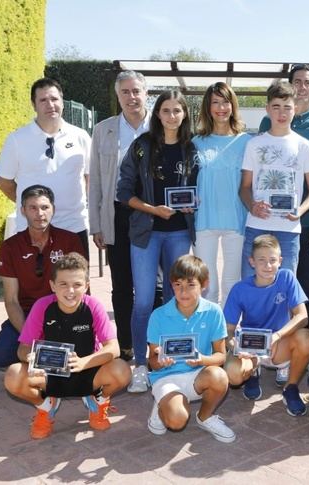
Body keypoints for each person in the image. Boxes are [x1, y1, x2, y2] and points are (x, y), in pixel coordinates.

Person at [117, 90, 199, 393]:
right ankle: (141, 364)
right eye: (166, 110)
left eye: (178, 110)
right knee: (143, 301)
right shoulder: (142, 147)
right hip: (146, 233)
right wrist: (154, 209)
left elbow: (196, 188)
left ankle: (167, 361)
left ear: (185, 114)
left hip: (179, 233)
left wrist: (193, 203)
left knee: (173, 300)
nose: (172, 116)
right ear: (158, 114)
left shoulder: (192, 149)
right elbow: (124, 192)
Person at [3, 253, 131, 439]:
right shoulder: (42, 306)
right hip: (51, 374)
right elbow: (23, 348)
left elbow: (113, 348)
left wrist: (83, 363)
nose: (70, 291)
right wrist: (30, 357)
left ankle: (98, 400)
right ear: (52, 285)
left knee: (122, 370)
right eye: (63, 284)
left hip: (88, 372)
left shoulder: (93, 305)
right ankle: (46, 406)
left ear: (86, 286)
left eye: (77, 285)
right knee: (13, 375)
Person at [259, 63, 309, 328]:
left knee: (302, 285)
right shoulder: (267, 121)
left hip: (305, 222)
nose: (302, 87)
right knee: (266, 280)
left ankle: (302, 343)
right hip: (269, 221)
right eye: (298, 81)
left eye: (308, 82)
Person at [89, 70, 150, 361]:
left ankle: (153, 345)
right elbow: (96, 181)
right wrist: (97, 224)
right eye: (125, 92)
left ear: (146, 93)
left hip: (153, 218)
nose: (131, 97)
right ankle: (126, 346)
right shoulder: (103, 130)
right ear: (117, 96)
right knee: (123, 285)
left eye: (136, 91)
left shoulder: (163, 125)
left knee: (156, 285)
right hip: (117, 216)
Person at [0, 185, 85, 368]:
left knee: (81, 351)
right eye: (32, 208)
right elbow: (11, 300)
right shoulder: (10, 247)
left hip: (63, 311)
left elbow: (80, 289)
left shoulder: (70, 240)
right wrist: (32, 336)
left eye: (44, 207)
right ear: (23, 211)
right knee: (0, 355)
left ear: (53, 210)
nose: (39, 213)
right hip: (27, 314)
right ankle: (37, 358)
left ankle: (44, 360)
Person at [0, 77, 91, 257]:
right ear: (34, 105)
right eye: (43, 100)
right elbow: (3, 181)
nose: (50, 105)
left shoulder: (81, 136)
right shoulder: (17, 139)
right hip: (33, 230)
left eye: (54, 99)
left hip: (73, 226)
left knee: (76, 284)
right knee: (35, 285)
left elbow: (90, 177)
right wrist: (33, 206)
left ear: (62, 102)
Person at [145, 255, 236, 443]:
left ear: (204, 284)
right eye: (178, 285)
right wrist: (160, 362)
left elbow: (221, 356)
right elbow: (152, 363)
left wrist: (202, 359)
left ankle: (205, 417)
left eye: (190, 285)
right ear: (171, 285)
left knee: (219, 376)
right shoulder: (158, 315)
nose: (183, 291)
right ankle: (163, 404)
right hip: (167, 377)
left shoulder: (213, 311)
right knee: (176, 421)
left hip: (198, 374)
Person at [223, 235, 309, 416]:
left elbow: (302, 316)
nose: (267, 266)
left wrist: (277, 336)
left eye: (272, 260)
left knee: (306, 337)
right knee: (233, 374)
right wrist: (236, 347)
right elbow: (228, 330)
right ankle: (252, 371)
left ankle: (291, 387)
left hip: (279, 344)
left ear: (280, 261)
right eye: (261, 260)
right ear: (252, 262)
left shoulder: (286, 277)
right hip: (252, 347)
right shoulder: (239, 289)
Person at [239, 81, 309, 279]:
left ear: (296, 109)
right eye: (276, 107)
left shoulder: (304, 146)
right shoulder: (254, 144)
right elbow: (244, 188)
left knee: (284, 288)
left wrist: (299, 211)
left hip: (289, 230)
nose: (281, 113)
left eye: (287, 107)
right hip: (257, 226)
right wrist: (252, 206)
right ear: (267, 109)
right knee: (252, 284)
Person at [193, 82, 251, 305]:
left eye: (225, 102)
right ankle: (211, 333)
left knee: (231, 282)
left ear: (233, 105)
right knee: (207, 284)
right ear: (208, 107)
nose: (220, 108)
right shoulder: (195, 142)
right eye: (215, 102)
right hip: (203, 220)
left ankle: (227, 333)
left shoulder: (247, 141)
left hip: (236, 220)